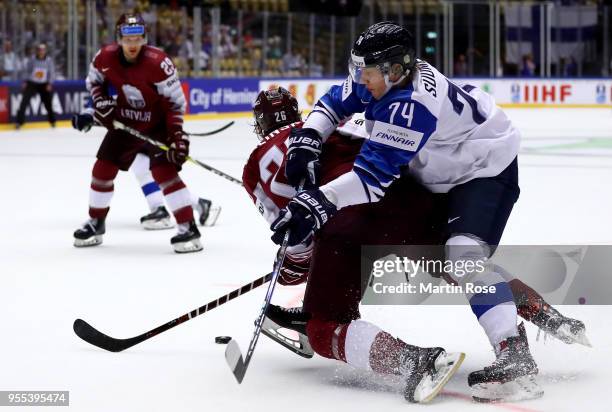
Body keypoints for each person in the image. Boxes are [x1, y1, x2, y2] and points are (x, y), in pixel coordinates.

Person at [243, 88, 588, 403]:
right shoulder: (333, 123)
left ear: (261, 124)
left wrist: (290, 270)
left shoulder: (257, 166)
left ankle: (414, 362)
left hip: (345, 231)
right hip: (401, 199)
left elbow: (298, 246)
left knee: (323, 325)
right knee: (463, 265)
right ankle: (541, 313)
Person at [269, 22, 543, 402]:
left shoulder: (411, 105)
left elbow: (369, 182)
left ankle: (514, 352)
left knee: (463, 257)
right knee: (442, 254)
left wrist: (316, 204)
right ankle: (526, 307)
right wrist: (309, 136)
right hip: (442, 167)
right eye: (358, 68)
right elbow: (333, 102)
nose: (359, 79)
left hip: (483, 168)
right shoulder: (382, 75)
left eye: (367, 71)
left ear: (396, 69)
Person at [72, 13, 202, 253]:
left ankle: (188, 228)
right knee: (102, 169)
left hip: (158, 124)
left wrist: (175, 135)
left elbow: (175, 103)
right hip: (126, 120)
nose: (132, 44)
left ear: (144, 38)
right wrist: (100, 102)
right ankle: (96, 222)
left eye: (138, 38)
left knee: (164, 173)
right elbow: (94, 82)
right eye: (127, 39)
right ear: (119, 38)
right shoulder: (105, 57)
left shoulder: (159, 62)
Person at [72, 112, 221, 230]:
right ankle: (196, 204)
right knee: (141, 165)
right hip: (135, 129)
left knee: (153, 169)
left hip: (151, 126)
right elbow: (102, 103)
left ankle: (162, 208)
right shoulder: (108, 77)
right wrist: (88, 116)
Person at [15, 43, 56, 129]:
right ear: (37, 51)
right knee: (24, 102)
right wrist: (25, 81)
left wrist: (49, 83)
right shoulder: (32, 59)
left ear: (45, 51)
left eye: (43, 50)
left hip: (43, 84)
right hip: (32, 83)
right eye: (40, 50)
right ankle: (19, 122)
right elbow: (27, 70)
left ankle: (52, 121)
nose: (41, 52)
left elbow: (51, 73)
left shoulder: (49, 61)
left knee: (48, 103)